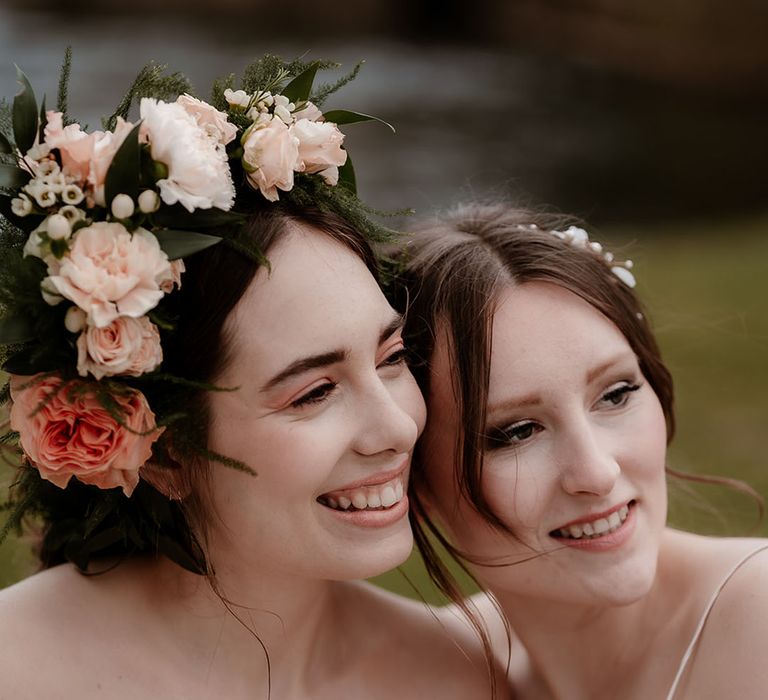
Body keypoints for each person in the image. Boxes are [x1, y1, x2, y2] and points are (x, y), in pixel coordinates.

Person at [0, 59, 500, 698]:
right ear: (163, 450)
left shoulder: (459, 676)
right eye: (315, 392)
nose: (398, 425)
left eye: (392, 357)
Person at [390, 202, 768, 700]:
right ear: (412, 478)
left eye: (616, 394)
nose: (597, 471)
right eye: (518, 431)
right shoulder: (427, 668)